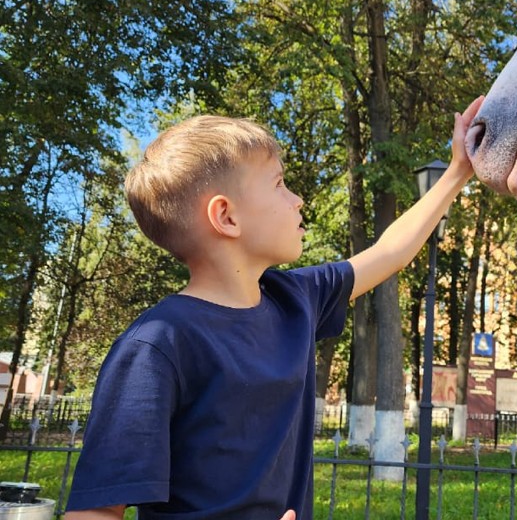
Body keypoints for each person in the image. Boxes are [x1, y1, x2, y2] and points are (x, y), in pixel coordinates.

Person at [64, 97, 484, 520]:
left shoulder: (295, 298)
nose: (298, 199)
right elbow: (94, 513)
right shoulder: (157, 346)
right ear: (226, 217)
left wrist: (457, 172)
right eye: (280, 184)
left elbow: (389, 252)